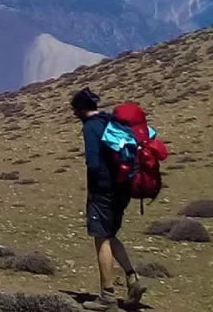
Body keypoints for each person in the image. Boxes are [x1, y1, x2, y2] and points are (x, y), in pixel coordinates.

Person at [72, 87, 146, 311]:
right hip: (123, 188)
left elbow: (93, 163)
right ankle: (132, 278)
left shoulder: (91, 128)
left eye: (74, 110)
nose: (74, 114)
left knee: (101, 238)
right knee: (110, 234)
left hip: (103, 191)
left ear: (81, 110)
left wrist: (94, 186)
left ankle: (107, 296)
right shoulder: (110, 122)